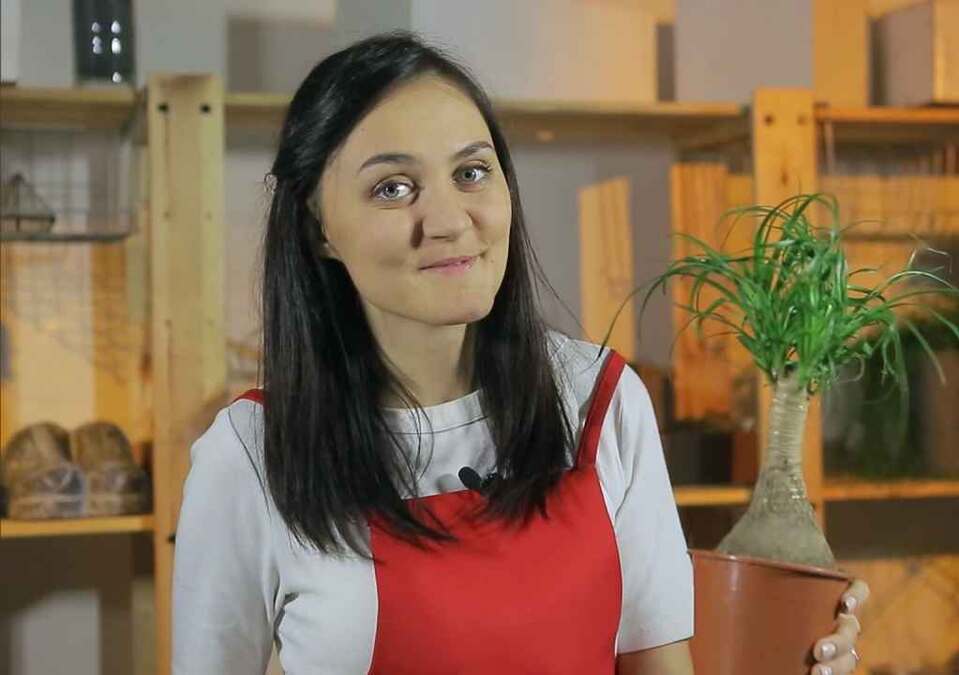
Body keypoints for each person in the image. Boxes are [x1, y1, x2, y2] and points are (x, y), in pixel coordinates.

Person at [171, 31, 869, 674]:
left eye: (471, 173)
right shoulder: (252, 456)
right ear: (318, 228)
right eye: (393, 188)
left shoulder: (599, 402)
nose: (449, 221)